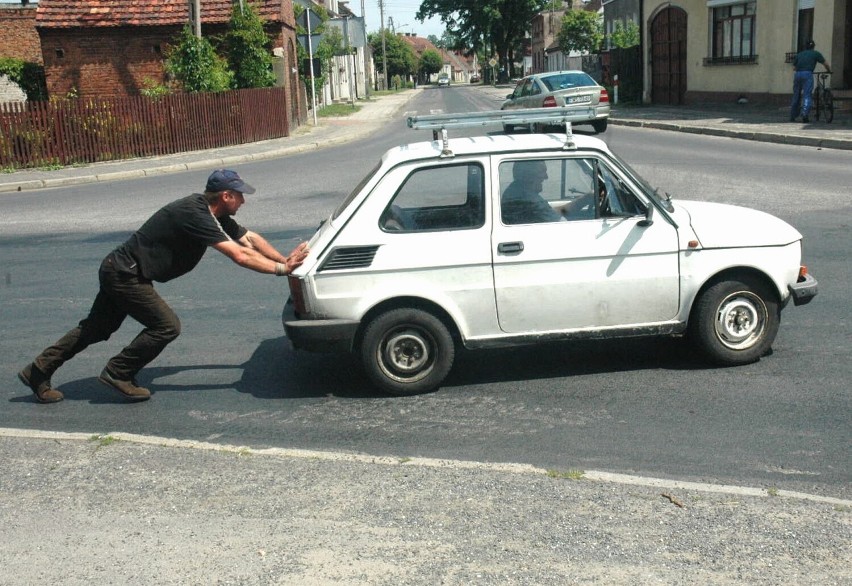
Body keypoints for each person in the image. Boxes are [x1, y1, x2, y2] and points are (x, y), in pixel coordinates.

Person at [18, 169, 310, 403]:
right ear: (226, 195)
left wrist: (284, 259)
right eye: (240, 197)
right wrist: (282, 270)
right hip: (124, 273)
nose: (243, 202)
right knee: (166, 326)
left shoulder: (214, 213)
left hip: (123, 270)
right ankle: (118, 372)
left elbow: (249, 239)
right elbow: (239, 254)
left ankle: (38, 370)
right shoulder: (194, 214)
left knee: (96, 328)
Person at [500, 160, 564, 224]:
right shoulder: (531, 200)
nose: (546, 177)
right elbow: (562, 223)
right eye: (542, 171)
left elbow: (547, 211)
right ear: (528, 175)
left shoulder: (513, 190)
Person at [790, 40, 832, 123]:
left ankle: (793, 115)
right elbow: (825, 64)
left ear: (805, 47)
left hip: (798, 74)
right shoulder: (816, 53)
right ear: (813, 47)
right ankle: (805, 114)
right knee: (807, 94)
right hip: (807, 74)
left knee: (796, 94)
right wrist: (829, 71)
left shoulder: (800, 54)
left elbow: (794, 68)